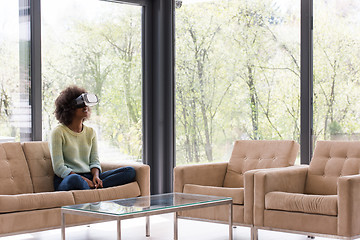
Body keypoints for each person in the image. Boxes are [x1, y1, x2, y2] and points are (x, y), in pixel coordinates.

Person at [49, 85, 136, 191]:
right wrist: (84, 180)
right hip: (68, 179)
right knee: (75, 179)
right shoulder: (58, 132)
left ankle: (94, 186)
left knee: (129, 171)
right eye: (80, 103)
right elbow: (59, 168)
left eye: (86, 103)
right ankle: (92, 189)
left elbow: (94, 161)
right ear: (69, 108)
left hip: (89, 176)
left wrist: (96, 176)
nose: (85, 106)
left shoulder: (91, 132)